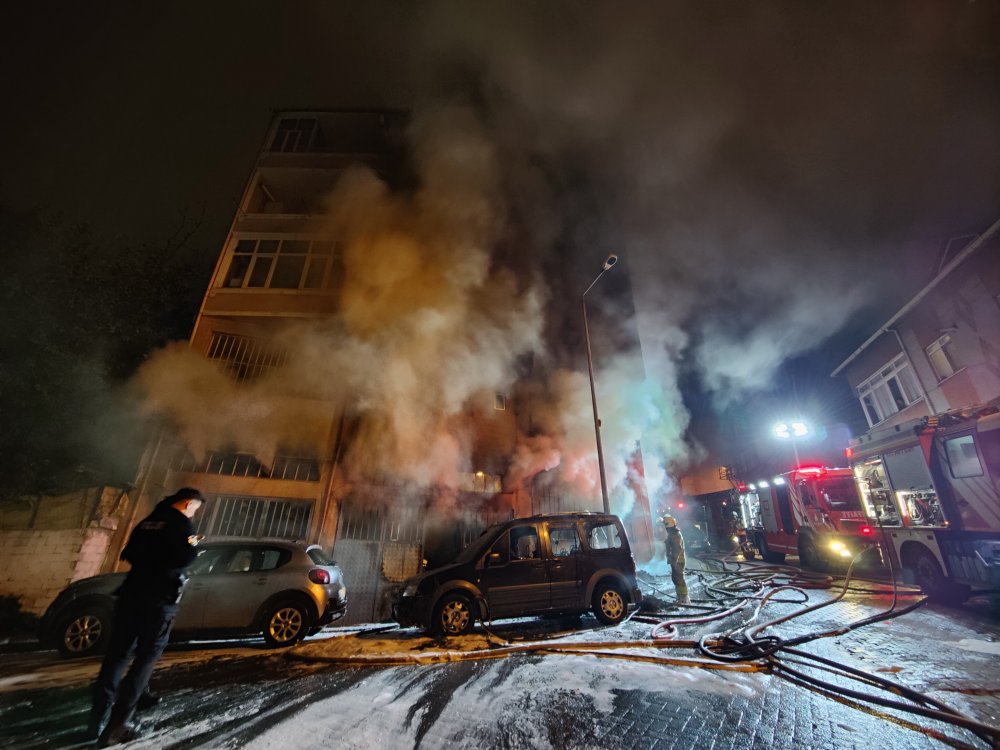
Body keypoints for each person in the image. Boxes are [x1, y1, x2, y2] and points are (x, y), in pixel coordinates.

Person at [88, 487, 205, 746]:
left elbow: (128, 553)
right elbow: (188, 556)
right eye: (196, 508)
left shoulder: (148, 521)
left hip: (131, 595)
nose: (195, 513)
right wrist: (196, 539)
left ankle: (96, 718)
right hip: (159, 599)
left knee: (116, 657)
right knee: (144, 660)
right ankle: (118, 725)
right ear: (188, 503)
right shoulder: (181, 524)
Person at [661, 515, 689, 605]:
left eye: (665, 525)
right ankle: (679, 597)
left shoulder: (676, 535)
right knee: (675, 579)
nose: (665, 528)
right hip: (674, 560)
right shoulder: (672, 534)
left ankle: (684, 598)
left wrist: (674, 561)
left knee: (680, 579)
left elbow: (677, 549)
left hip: (678, 561)